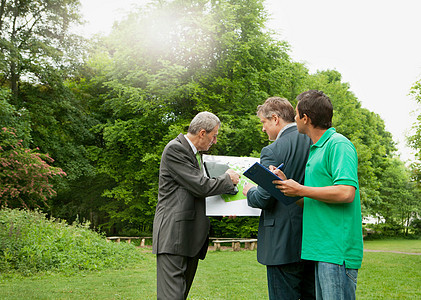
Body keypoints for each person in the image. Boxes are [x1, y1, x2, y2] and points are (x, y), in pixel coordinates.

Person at [273, 90, 363, 300]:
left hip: (336, 251)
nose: (294, 119)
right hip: (319, 250)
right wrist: (286, 186)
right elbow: (313, 200)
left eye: (296, 114)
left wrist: (301, 189)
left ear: (306, 118)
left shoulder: (338, 145)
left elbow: (346, 192)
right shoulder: (315, 150)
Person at [152, 111, 240, 300]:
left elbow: (193, 194)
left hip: (188, 237)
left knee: (180, 295)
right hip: (173, 236)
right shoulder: (175, 149)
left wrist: (223, 208)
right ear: (202, 133)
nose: (214, 141)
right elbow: (200, 186)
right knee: (172, 297)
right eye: (214, 136)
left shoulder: (195, 155)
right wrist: (228, 179)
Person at [242, 97, 315, 299]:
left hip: (282, 244)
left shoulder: (272, 150)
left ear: (275, 119)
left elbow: (265, 198)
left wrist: (249, 191)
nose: (263, 129)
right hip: (312, 238)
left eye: (263, 123)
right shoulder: (314, 142)